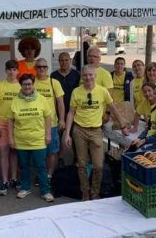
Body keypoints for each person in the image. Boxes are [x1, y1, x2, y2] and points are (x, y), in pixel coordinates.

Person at [63, 65, 130, 201]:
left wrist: (123, 125)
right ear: (82, 77)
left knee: (98, 165)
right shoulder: (76, 92)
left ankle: (95, 192)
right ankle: (85, 193)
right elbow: (71, 112)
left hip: (96, 131)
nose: (88, 77)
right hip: (79, 130)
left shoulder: (102, 91)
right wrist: (67, 133)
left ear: (95, 76)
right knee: (82, 164)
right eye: (85, 75)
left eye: (90, 75)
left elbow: (113, 108)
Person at [7, 74, 55, 202]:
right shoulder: (15, 100)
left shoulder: (42, 99)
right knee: (24, 166)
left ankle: (45, 191)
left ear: (33, 84)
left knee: (40, 166)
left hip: (38, 140)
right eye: (24, 84)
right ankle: (25, 188)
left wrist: (48, 134)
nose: (27, 86)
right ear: (21, 85)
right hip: (21, 140)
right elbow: (10, 121)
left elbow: (48, 118)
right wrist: (11, 138)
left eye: (29, 84)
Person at [34, 58, 65, 183]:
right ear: (35, 68)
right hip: (35, 125)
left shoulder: (54, 82)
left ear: (47, 69)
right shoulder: (31, 82)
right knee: (39, 153)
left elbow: (60, 103)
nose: (41, 69)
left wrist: (62, 119)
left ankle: (49, 175)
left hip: (51, 124)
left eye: (44, 67)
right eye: (39, 67)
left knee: (52, 151)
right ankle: (40, 174)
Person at [0, 60, 21, 196]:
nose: (12, 72)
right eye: (9, 69)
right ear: (6, 71)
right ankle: (4, 180)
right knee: (3, 152)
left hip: (17, 123)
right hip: (2, 122)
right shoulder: (0, 85)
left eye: (14, 69)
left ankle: (14, 178)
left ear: (18, 71)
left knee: (14, 152)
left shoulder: (21, 86)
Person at [51, 52, 80, 165]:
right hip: (57, 111)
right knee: (57, 137)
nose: (64, 63)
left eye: (66, 60)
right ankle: (60, 157)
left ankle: (76, 159)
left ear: (70, 60)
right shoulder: (53, 75)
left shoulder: (76, 74)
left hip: (73, 111)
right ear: (58, 62)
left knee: (74, 136)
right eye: (61, 60)